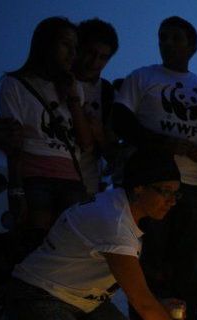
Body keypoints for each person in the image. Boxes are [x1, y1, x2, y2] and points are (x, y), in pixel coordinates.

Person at [0, 151, 197, 320]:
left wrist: (158, 304)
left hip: (88, 301)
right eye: (165, 191)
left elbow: (134, 283)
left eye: (175, 193)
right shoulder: (114, 221)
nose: (171, 201)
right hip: (39, 296)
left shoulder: (124, 207)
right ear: (138, 188)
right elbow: (142, 302)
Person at [113, 16, 197, 320]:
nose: (168, 43)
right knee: (152, 256)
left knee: (189, 259)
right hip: (152, 182)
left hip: (195, 185)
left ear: (193, 46)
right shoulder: (142, 78)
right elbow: (120, 120)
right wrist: (162, 144)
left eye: (177, 38)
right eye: (164, 37)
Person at [0, 17, 94, 254]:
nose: (72, 53)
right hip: (35, 174)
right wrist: (16, 188)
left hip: (70, 175)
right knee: (36, 244)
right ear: (45, 45)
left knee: (68, 247)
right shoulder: (16, 84)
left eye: (75, 47)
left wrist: (73, 98)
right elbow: (14, 141)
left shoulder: (73, 88)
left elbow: (85, 142)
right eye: (65, 45)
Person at [73, 18, 119, 197]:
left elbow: (113, 153)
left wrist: (100, 134)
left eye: (103, 57)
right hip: (48, 177)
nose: (94, 62)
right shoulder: (53, 83)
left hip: (88, 184)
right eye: (90, 53)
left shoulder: (107, 93)